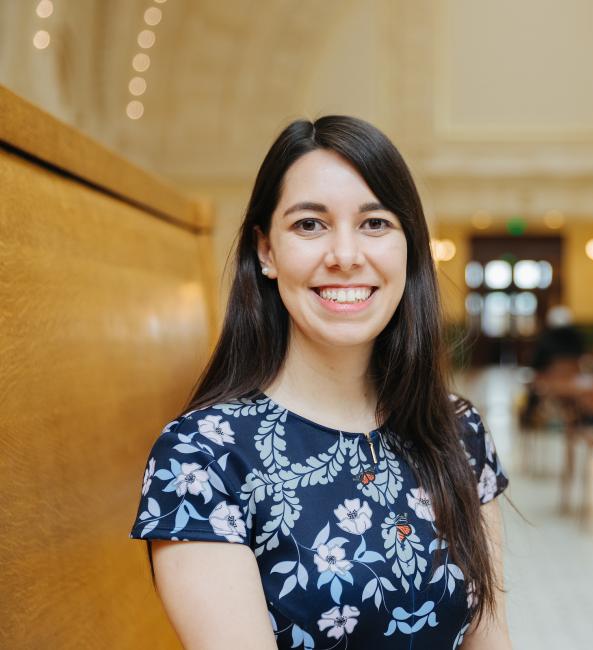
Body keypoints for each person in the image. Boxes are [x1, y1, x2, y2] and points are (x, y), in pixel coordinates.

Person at [130, 116, 511, 649]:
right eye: (310, 225)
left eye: (375, 224)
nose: (346, 255)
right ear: (267, 251)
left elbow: (490, 639)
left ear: (409, 248)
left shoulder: (456, 429)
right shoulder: (201, 458)